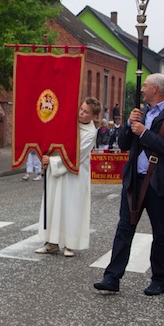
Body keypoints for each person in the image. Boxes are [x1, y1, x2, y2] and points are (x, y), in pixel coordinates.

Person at [94, 73, 164, 296]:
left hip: (158, 184)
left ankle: (158, 279)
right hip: (134, 181)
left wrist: (144, 132)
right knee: (124, 229)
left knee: (160, 232)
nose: (142, 89)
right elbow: (124, 144)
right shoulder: (140, 114)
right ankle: (112, 277)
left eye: (145, 86)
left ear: (155, 89)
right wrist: (129, 124)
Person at [35, 97, 100, 258]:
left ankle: (71, 243)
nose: (81, 113)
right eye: (81, 109)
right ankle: (51, 242)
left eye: (86, 112)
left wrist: (52, 161)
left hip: (74, 176)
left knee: (71, 208)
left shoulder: (90, 133)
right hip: (56, 173)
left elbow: (76, 155)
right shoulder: (68, 123)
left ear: (94, 116)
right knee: (53, 205)